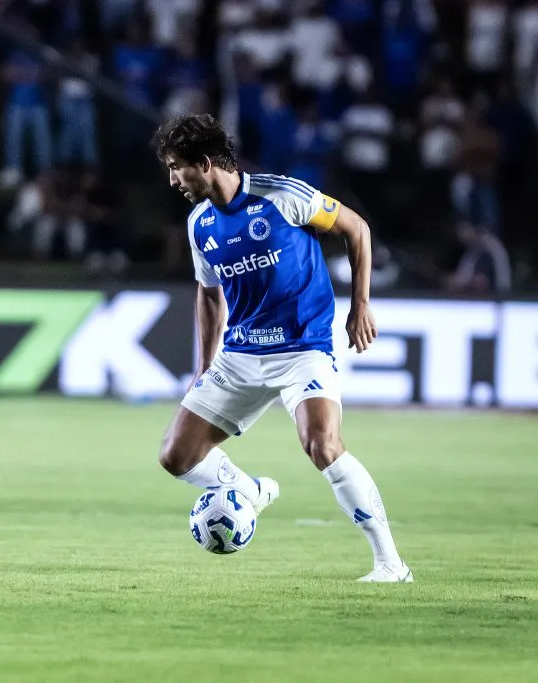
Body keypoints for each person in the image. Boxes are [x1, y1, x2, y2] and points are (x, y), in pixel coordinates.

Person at [151, 113, 412, 583]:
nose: (172, 180)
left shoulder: (282, 196)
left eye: (176, 167)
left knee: (323, 445)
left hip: (302, 348)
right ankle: (247, 489)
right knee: (176, 455)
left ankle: (390, 564)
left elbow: (357, 229)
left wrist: (360, 305)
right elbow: (208, 295)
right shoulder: (199, 225)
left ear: (205, 163)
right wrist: (204, 366)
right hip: (241, 353)